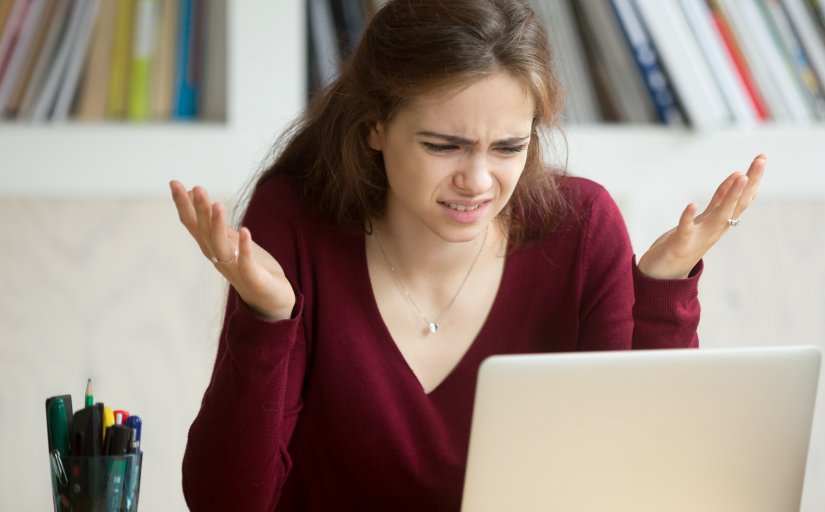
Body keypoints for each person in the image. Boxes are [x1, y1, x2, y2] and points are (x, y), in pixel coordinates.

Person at [170, 0, 764, 510]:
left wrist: (662, 292)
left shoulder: (582, 229)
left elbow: (646, 487)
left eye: (509, 147)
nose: (478, 181)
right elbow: (226, 501)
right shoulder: (294, 220)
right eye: (443, 145)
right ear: (374, 125)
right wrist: (268, 319)